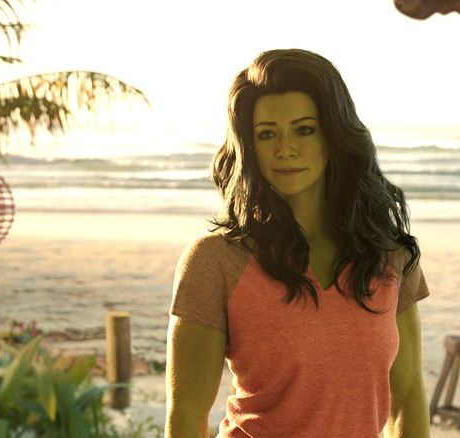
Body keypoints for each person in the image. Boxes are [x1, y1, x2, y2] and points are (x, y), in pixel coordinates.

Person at [165, 49, 430, 437]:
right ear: (249, 146)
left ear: (333, 134)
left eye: (304, 129)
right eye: (266, 133)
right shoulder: (215, 261)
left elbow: (406, 397)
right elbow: (186, 416)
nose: (284, 149)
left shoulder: (389, 256)